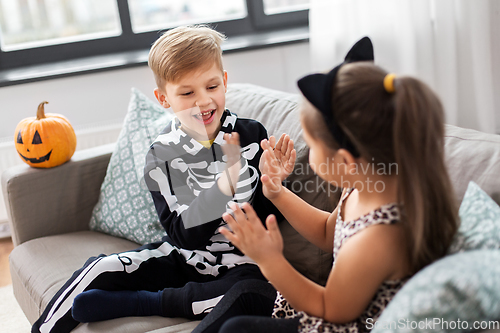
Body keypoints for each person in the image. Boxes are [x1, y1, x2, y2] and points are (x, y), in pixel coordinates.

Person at [193, 37, 459, 333]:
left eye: (312, 144)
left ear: (344, 161)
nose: (308, 150)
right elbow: (326, 231)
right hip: (331, 311)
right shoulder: (368, 184)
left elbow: (330, 309)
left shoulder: (380, 235)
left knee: (238, 329)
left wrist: (269, 259)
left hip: (346, 324)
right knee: (244, 295)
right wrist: (276, 191)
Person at [31, 25, 285, 333]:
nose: (203, 102)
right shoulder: (161, 155)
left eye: (211, 86)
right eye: (187, 93)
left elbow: (270, 221)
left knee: (256, 294)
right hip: (184, 256)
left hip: (244, 264)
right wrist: (223, 186)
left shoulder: (251, 134)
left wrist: (275, 186)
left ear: (225, 82)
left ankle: (145, 302)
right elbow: (183, 235)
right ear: (164, 99)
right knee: (102, 267)